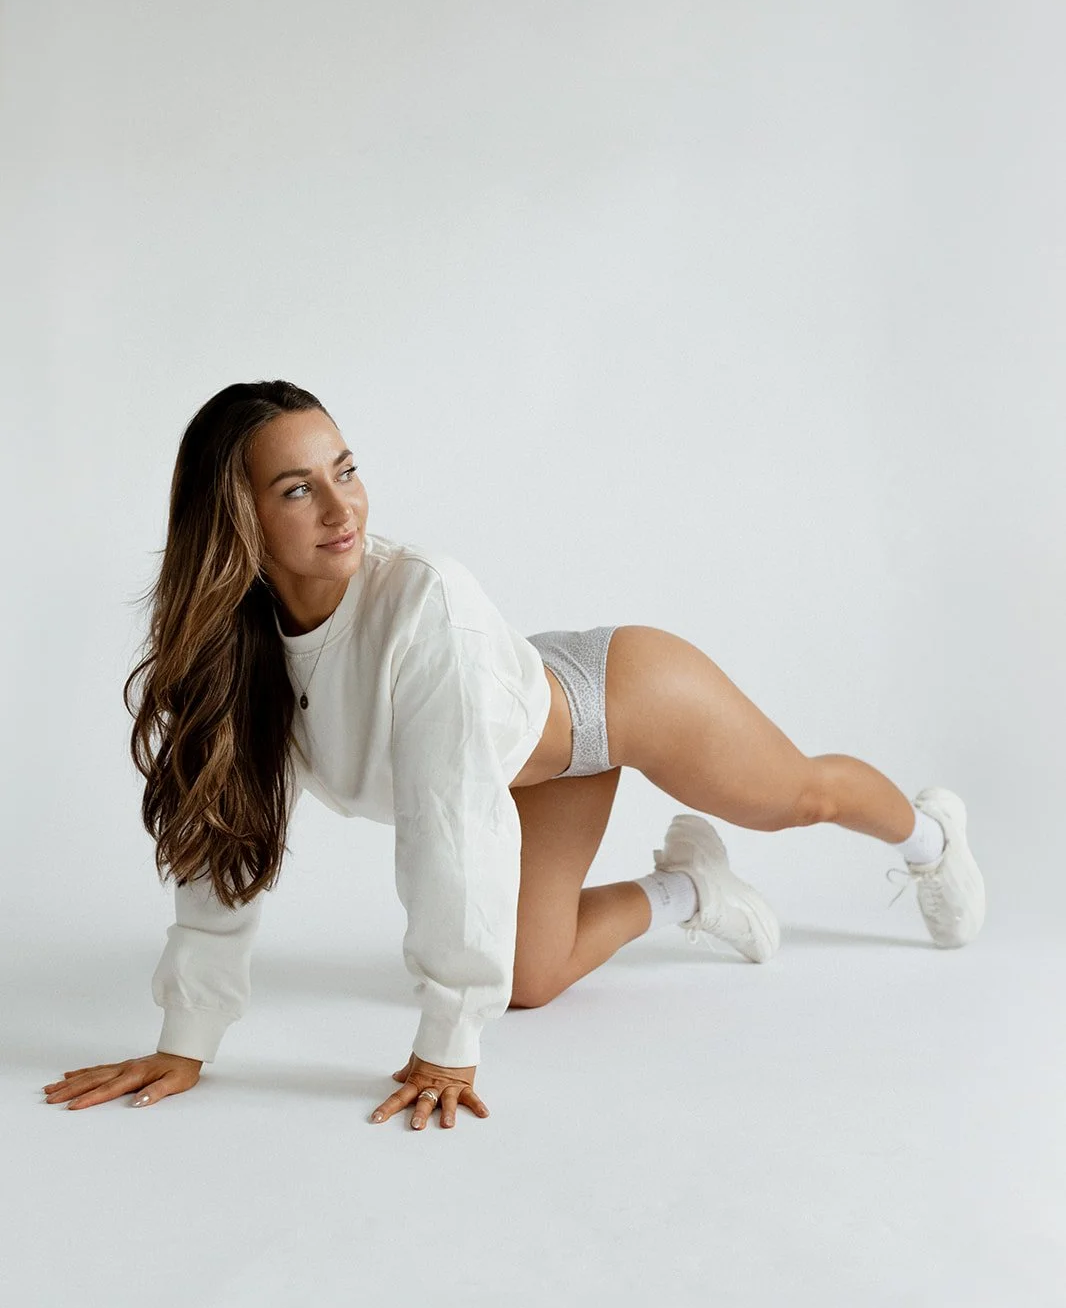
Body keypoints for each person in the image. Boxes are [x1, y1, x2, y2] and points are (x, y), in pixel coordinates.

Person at [42, 379, 986, 1130]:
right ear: (237, 519)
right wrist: (187, 1038)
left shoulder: (423, 603)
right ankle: (694, 888)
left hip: (611, 700)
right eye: (298, 488)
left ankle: (931, 837)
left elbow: (449, 833)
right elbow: (223, 833)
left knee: (797, 797)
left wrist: (448, 1040)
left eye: (346, 469)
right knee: (529, 982)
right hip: (507, 761)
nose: (343, 507)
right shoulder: (236, 650)